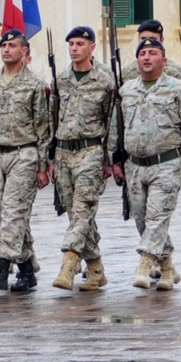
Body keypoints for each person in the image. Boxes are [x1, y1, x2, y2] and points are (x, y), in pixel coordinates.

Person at [113, 38, 181, 291]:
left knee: (157, 216)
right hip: (134, 165)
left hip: (167, 163)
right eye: (142, 53)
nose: (146, 57)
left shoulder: (178, 89)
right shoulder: (126, 90)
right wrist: (115, 160)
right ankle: (167, 268)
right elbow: (116, 129)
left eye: (152, 53)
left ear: (163, 61)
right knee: (142, 219)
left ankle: (144, 264)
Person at [0, 29, 51, 293]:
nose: (6, 49)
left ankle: (2, 267)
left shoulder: (35, 85)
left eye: (12, 45)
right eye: (3, 45)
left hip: (23, 154)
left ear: (24, 51)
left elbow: (42, 128)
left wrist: (42, 166)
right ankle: (27, 271)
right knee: (5, 214)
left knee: (15, 211)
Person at [50, 25, 116, 292]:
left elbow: (112, 121)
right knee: (76, 213)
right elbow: (51, 118)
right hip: (64, 151)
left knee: (82, 209)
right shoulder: (61, 79)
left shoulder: (105, 79)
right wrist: (49, 159)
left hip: (91, 151)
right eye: (71, 44)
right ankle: (96, 267)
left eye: (80, 44)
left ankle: (68, 265)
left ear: (92, 47)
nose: (74, 48)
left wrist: (110, 160)